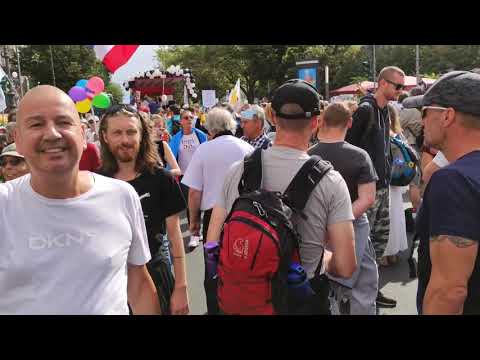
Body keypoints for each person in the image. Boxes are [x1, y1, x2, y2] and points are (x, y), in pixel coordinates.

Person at [0, 86, 159, 315]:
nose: (52, 134)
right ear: (18, 140)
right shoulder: (4, 204)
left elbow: (139, 286)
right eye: (36, 124)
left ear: (83, 135)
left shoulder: (121, 196)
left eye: (63, 122)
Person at [206, 80, 356, 314]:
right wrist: (324, 259)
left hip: (243, 299)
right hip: (301, 300)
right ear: (316, 122)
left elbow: (212, 242)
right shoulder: (331, 181)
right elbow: (346, 266)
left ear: (273, 117)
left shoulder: (239, 170)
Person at [99, 104, 189, 315]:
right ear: (105, 136)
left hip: (157, 276)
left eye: (131, 131)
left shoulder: (162, 179)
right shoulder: (95, 183)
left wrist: (181, 287)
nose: (125, 140)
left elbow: (175, 237)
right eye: (117, 133)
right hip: (113, 284)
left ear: (141, 135)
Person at [402, 70, 480, 314]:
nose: (422, 120)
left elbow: (449, 290)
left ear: (447, 116)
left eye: (425, 112)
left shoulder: (453, 180)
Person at [181, 107, 254, 314]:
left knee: (213, 270)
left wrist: (193, 222)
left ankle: (214, 309)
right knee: (242, 267)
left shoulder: (204, 150)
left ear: (210, 128)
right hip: (243, 216)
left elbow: (194, 192)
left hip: (213, 217)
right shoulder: (246, 148)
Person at [308, 102, 378, 315]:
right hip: (353, 225)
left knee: (322, 281)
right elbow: (367, 198)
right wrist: (339, 222)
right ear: (349, 122)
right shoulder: (359, 156)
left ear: (322, 121)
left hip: (315, 228)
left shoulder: (308, 155)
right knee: (362, 286)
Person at [346, 66, 406, 308]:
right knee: (362, 244)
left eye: (402, 87)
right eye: (397, 86)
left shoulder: (384, 110)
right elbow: (349, 148)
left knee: (375, 247)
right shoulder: (366, 109)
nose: (401, 91)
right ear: (382, 83)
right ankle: (351, 294)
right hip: (366, 189)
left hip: (381, 186)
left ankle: (370, 290)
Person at [169, 109, 208, 248]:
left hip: (201, 175)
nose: (189, 120)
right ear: (181, 121)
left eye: (191, 117)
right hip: (185, 176)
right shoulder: (176, 138)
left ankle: (198, 230)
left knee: (201, 205)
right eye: (186, 118)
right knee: (190, 206)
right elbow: (171, 158)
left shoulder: (201, 135)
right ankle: (195, 234)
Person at [380, 104, 410, 266]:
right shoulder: (399, 135)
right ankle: (394, 252)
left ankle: (384, 253)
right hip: (397, 182)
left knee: (384, 218)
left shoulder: (383, 135)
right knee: (397, 217)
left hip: (385, 182)